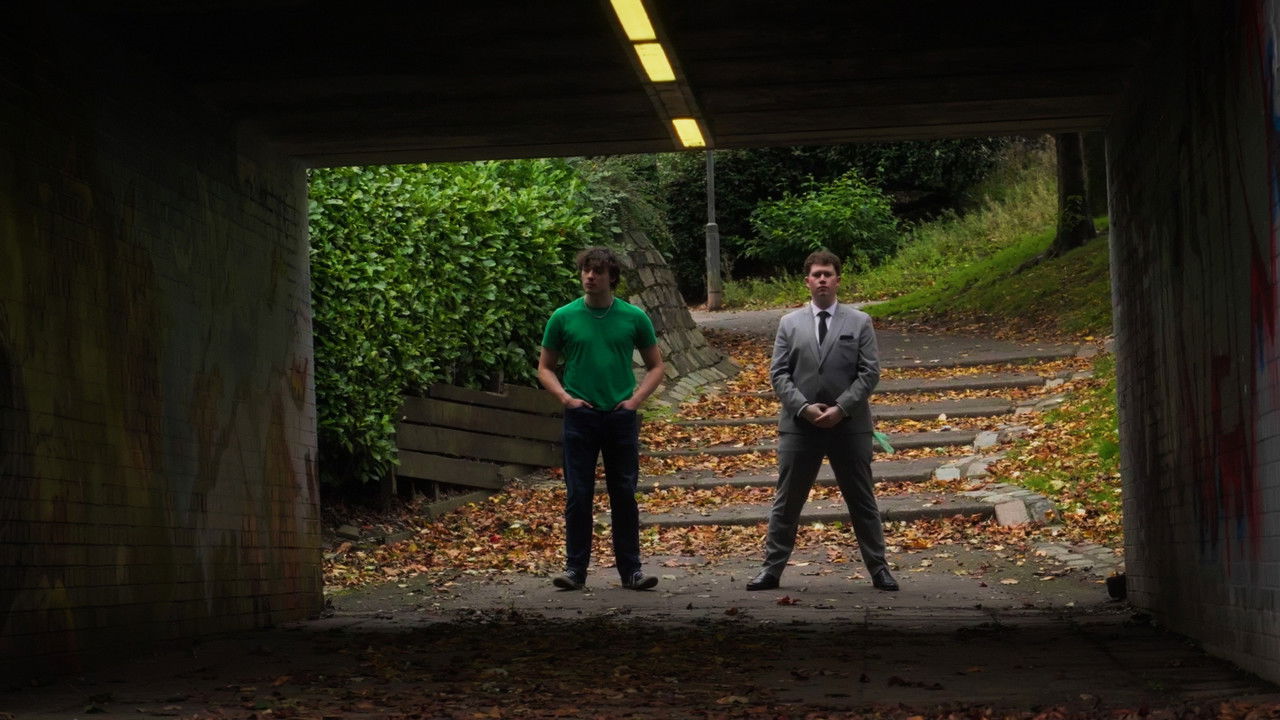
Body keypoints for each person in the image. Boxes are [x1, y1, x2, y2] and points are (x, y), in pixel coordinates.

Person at [746, 249, 899, 592]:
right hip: (800, 425)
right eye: (816, 274)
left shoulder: (859, 321)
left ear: (838, 280)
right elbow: (779, 373)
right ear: (807, 281)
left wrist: (841, 408)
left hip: (850, 425)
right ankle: (771, 569)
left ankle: (879, 569)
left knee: (862, 500)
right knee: (787, 501)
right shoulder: (789, 323)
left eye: (828, 274)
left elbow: (870, 372)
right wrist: (804, 408)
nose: (822, 280)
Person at [538, 247, 666, 591]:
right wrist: (565, 398)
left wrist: (634, 401)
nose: (590, 277)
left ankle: (632, 571)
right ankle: (575, 570)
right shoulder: (563, 317)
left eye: (597, 271)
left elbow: (656, 366)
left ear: (612, 277)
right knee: (578, 494)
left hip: (619, 416)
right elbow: (545, 367)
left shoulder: (633, 317)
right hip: (580, 415)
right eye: (586, 270)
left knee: (623, 493)